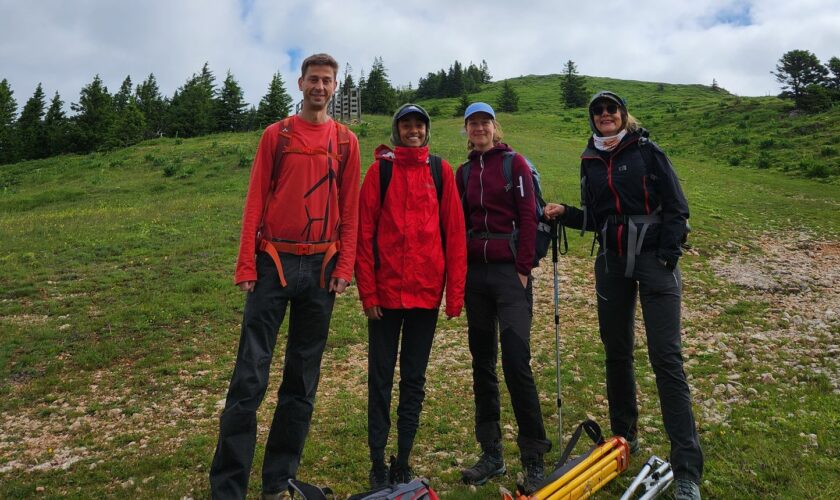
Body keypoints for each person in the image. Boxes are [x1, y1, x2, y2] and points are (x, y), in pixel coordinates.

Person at [209, 53, 361, 500]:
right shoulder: (276, 136)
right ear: (300, 84)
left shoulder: (347, 142)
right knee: (248, 380)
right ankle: (228, 488)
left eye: (326, 81)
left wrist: (345, 267)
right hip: (272, 264)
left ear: (335, 87)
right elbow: (255, 198)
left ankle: (278, 481)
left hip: (320, 270)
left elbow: (349, 212)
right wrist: (244, 263)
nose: (319, 86)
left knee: (301, 382)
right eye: (313, 79)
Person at [544, 91, 703, 500]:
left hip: (654, 262)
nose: (604, 115)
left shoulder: (648, 152)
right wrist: (568, 213)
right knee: (616, 351)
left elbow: (677, 206)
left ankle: (686, 469)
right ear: (592, 118)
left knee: (666, 358)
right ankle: (622, 438)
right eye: (597, 111)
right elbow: (598, 218)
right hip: (612, 262)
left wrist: (667, 257)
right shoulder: (589, 160)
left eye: (611, 109)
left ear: (623, 114)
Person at [355, 103, 467, 490]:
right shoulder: (379, 172)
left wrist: (455, 296)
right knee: (380, 380)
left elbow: (454, 234)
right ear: (396, 130)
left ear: (427, 130)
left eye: (419, 124)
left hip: (425, 296)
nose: (413, 130)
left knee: (414, 380)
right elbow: (363, 236)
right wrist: (367, 293)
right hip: (384, 298)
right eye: (407, 124)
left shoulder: (441, 171)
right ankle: (376, 463)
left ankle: (402, 459)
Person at [456, 102, 551, 493]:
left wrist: (524, 268)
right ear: (466, 130)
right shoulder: (463, 173)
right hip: (475, 277)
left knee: (516, 362)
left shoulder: (516, 164)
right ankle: (491, 454)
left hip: (510, 274)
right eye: (472, 124)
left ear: (496, 127)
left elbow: (529, 217)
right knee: (482, 364)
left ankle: (533, 456)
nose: (479, 129)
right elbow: (458, 222)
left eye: (485, 123)